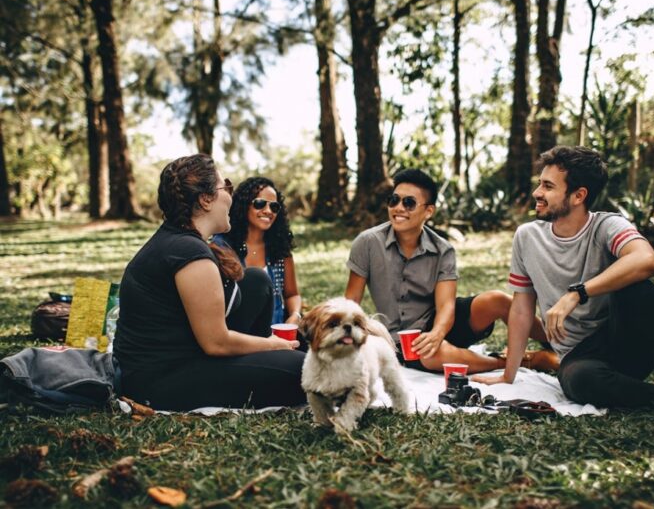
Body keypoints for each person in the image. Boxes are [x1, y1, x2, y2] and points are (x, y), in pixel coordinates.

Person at [474, 146, 654, 417]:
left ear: (579, 195)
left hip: (624, 340)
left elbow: (647, 260)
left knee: (638, 288)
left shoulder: (607, 226)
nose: (537, 193)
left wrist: (577, 293)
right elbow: (521, 309)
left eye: (547, 186)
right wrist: (509, 375)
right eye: (539, 184)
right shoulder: (527, 237)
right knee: (579, 381)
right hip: (579, 358)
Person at [114, 155, 306, 411]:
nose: (230, 195)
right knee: (305, 370)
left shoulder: (182, 240)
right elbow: (216, 343)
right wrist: (274, 344)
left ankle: (267, 359)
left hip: (186, 353)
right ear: (205, 199)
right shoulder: (188, 253)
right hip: (161, 379)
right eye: (225, 186)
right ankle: (271, 360)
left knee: (255, 280)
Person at [344, 168, 558, 374]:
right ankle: (522, 361)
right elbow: (351, 301)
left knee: (498, 300)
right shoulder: (368, 243)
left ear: (428, 211)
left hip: (440, 322)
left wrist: (437, 333)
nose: (398, 208)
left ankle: (559, 345)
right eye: (394, 200)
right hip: (401, 340)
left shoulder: (443, 250)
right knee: (432, 355)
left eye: (408, 203)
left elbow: (446, 305)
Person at [214, 177, 302, 325]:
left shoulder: (280, 248)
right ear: (243, 206)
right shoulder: (222, 247)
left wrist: (295, 316)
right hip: (237, 336)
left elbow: (292, 294)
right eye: (260, 204)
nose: (268, 211)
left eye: (274, 207)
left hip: (276, 335)